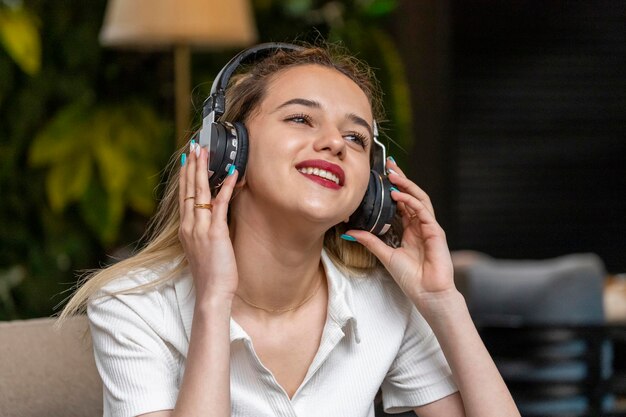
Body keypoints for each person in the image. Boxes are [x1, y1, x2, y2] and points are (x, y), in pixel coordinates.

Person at [61, 42, 520, 417]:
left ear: (370, 191)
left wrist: (443, 302)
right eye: (301, 118)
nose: (334, 144)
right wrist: (213, 299)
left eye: (356, 138)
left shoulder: (385, 303)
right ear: (227, 152)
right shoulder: (134, 305)